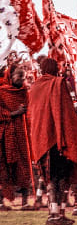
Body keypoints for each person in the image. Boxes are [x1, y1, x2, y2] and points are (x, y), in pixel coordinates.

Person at [27, 57, 77, 225]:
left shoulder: (34, 87)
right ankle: (59, 213)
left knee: (49, 177)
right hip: (58, 139)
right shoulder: (61, 83)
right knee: (61, 176)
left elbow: (32, 115)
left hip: (40, 139)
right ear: (55, 69)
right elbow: (70, 111)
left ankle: (53, 213)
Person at [0, 64, 31, 211]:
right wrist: (15, 113)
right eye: (19, 77)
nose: (22, 80)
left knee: (24, 167)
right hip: (5, 134)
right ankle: (1, 202)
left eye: (24, 77)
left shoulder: (24, 91)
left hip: (22, 135)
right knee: (3, 167)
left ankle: (25, 202)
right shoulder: (2, 91)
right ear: (11, 77)